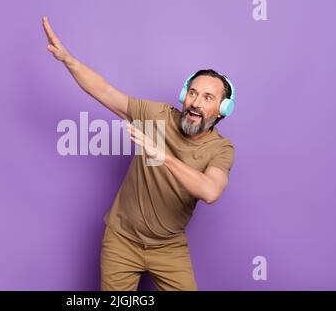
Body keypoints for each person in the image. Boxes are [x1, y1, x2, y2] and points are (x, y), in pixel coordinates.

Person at [42, 16, 235, 291]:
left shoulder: (221, 149)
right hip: (121, 240)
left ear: (222, 110)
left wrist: (163, 155)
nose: (196, 103)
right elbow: (106, 92)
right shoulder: (156, 116)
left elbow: (210, 191)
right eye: (192, 93)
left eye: (207, 97)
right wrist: (68, 60)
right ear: (184, 95)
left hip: (169, 248)